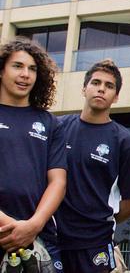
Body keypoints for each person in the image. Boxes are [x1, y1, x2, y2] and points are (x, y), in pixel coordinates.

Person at [56, 60, 130, 273]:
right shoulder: (58, 128)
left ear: (116, 97)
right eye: (96, 82)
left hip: (95, 243)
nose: (101, 88)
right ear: (84, 88)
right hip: (53, 237)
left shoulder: (125, 142)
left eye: (109, 86)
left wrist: (102, 216)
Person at [0, 38, 66, 272]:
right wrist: (12, 227)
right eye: (17, 66)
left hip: (39, 238)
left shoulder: (50, 123)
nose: (26, 74)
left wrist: (33, 226)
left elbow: (58, 181)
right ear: (1, 70)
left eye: (32, 69)